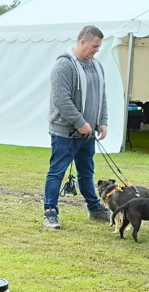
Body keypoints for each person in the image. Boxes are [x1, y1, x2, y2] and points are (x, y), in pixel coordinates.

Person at [42, 25, 110, 230]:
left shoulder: (96, 66)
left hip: (88, 133)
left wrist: (102, 120)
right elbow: (61, 100)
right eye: (94, 46)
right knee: (57, 172)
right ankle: (50, 213)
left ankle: (95, 209)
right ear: (82, 42)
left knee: (86, 172)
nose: (96, 50)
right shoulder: (64, 65)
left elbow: (101, 95)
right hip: (65, 132)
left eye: (98, 47)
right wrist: (80, 123)